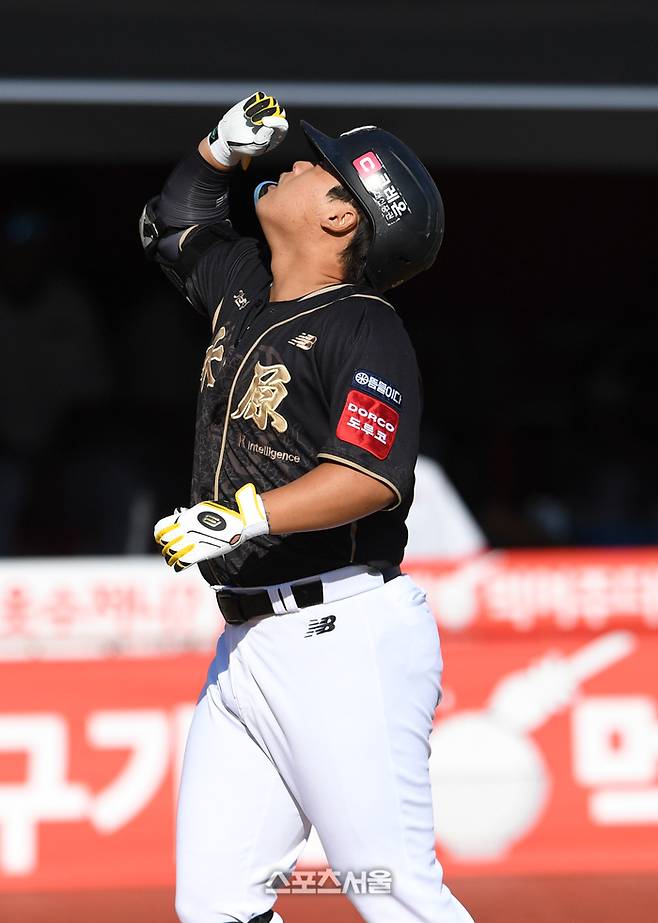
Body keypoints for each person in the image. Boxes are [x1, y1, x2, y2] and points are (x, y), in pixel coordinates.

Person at [142, 91, 475, 923]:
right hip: (249, 638)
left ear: (338, 216)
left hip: (343, 634)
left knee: (393, 892)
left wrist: (243, 515)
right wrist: (217, 149)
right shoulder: (246, 290)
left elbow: (368, 474)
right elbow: (172, 225)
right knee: (218, 904)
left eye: (317, 166)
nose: (292, 159)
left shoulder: (365, 327)